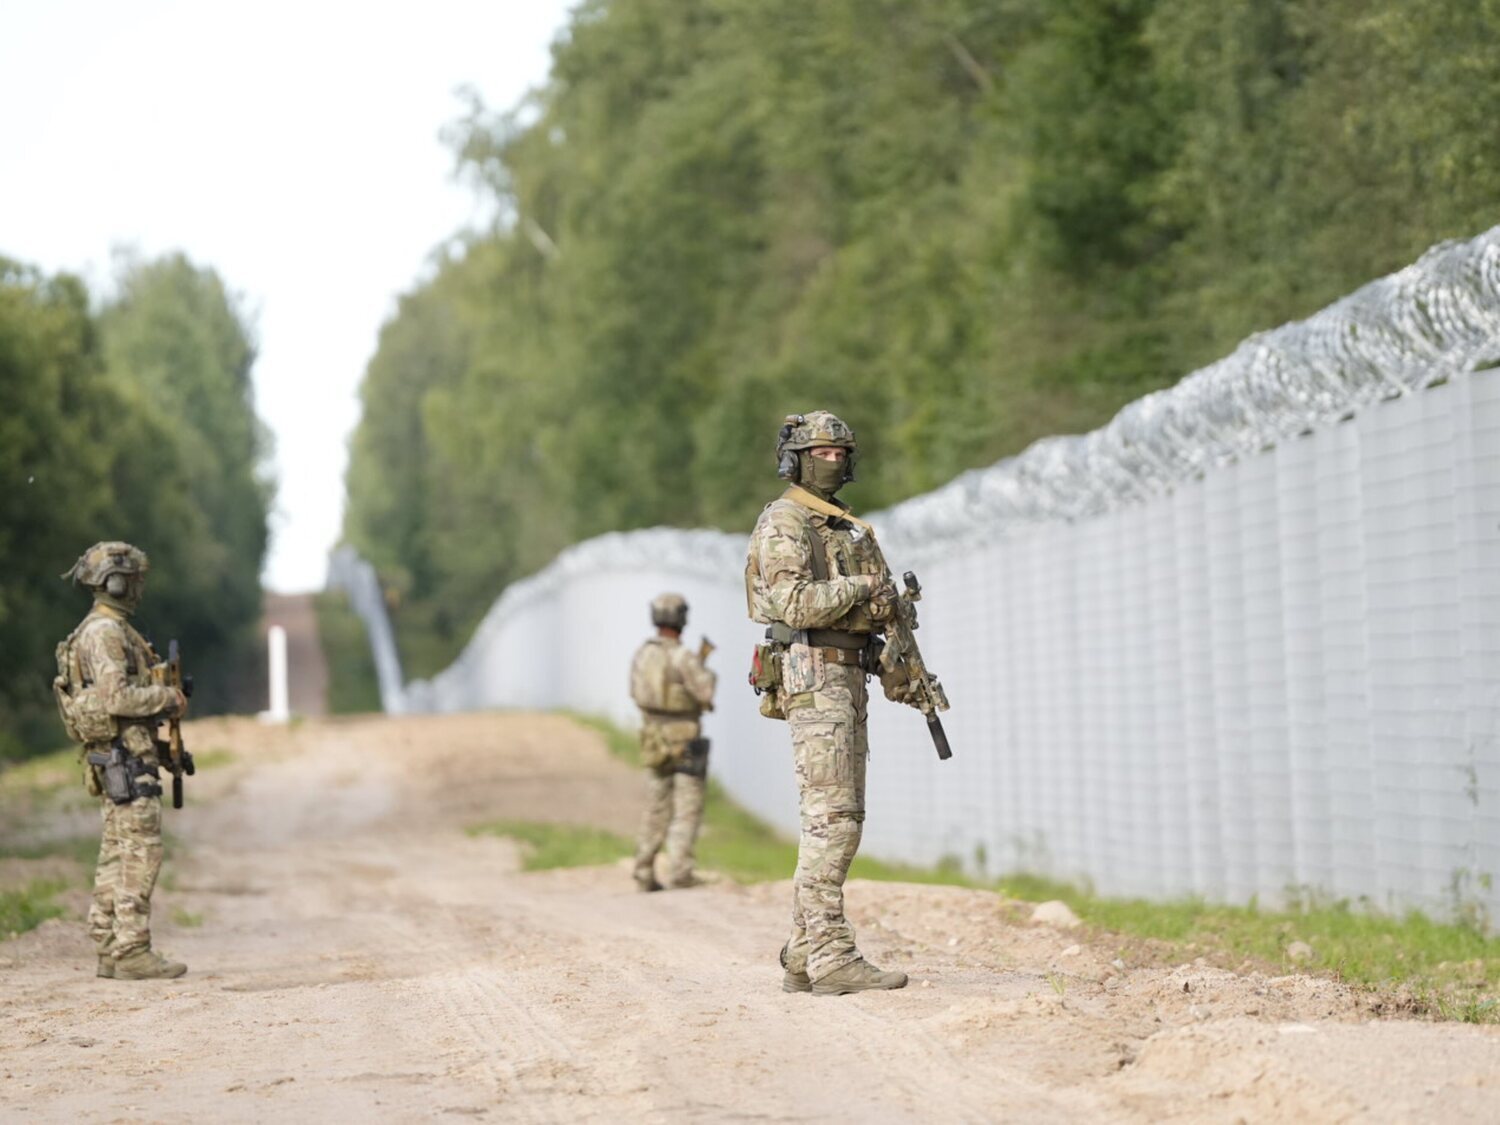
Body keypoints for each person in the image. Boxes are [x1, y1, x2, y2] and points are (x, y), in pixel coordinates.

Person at [745, 412, 909, 995]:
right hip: (814, 675)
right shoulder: (786, 522)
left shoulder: (840, 527)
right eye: (822, 453)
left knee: (842, 818)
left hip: (843, 676)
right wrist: (864, 590)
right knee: (833, 822)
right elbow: (792, 604)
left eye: (842, 453)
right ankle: (833, 955)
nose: (834, 462)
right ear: (795, 458)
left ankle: (801, 952)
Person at [53, 542, 189, 980]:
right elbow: (117, 697)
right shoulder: (106, 633)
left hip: (118, 755)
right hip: (126, 756)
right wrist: (168, 697)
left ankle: (109, 945)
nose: (138, 587)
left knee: (116, 850)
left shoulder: (104, 629)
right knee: (140, 849)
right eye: (133, 579)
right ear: (115, 581)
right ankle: (130, 949)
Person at [629, 593, 717, 892]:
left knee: (656, 805)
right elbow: (705, 693)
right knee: (687, 807)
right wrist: (705, 671)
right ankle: (680, 871)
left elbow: (636, 692)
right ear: (681, 619)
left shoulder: (643, 654)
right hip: (685, 738)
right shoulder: (683, 656)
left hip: (654, 736)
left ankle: (643, 869)